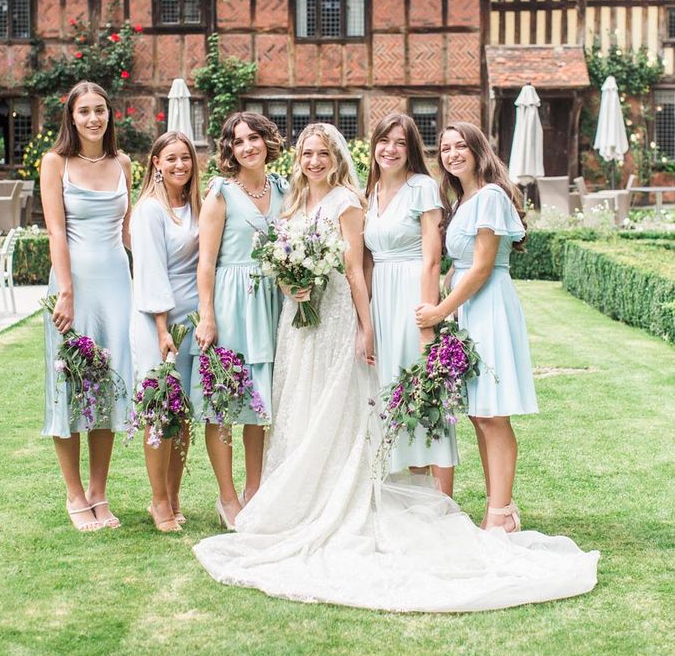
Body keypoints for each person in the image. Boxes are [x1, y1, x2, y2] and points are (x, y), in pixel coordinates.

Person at [194, 125, 599, 613]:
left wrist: (392, 320)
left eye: (324, 153)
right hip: (307, 319)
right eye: (308, 153)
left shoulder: (364, 197)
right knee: (307, 399)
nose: (315, 160)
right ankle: (310, 492)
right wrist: (291, 283)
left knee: (407, 400)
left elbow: (368, 265)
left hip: (371, 306)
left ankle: (447, 504)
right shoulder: (298, 200)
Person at [416, 121, 538, 532]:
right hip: (466, 310)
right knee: (479, 414)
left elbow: (483, 267)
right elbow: (460, 266)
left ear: (478, 150)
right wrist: (443, 304)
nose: (452, 154)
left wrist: (438, 311)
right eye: (445, 148)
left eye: (460, 146)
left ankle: (500, 513)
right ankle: (498, 507)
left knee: (493, 415)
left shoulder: (488, 196)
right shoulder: (463, 200)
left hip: (489, 308)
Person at [41, 81, 133, 531]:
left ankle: (99, 491)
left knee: (108, 386)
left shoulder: (124, 164)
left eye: (100, 110)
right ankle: (74, 494)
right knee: (69, 388)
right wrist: (66, 291)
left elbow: (131, 235)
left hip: (118, 286)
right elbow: (56, 232)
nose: (94, 118)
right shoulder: (55, 162)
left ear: (109, 115)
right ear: (71, 118)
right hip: (72, 288)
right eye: (84, 112)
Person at [192, 112, 287, 530]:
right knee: (225, 401)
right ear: (229, 149)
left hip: (272, 303)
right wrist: (208, 316)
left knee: (258, 404)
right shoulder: (220, 194)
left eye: (254, 138)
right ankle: (227, 497)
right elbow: (206, 262)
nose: (247, 146)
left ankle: (255, 491)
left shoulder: (285, 188)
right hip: (232, 302)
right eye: (238, 141)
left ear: (267, 141)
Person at [364, 113, 458, 492]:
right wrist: (364, 318)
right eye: (385, 141)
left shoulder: (422, 187)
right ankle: (406, 487)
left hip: (412, 294)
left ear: (411, 149)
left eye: (400, 143)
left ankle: (440, 497)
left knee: (423, 387)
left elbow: (432, 259)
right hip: (380, 301)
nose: (390, 149)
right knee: (388, 388)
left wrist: (428, 321)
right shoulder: (368, 194)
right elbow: (367, 259)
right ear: (374, 145)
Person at [131, 131, 201, 533]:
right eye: (171, 159)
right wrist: (162, 330)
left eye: (186, 158)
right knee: (161, 412)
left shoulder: (193, 205)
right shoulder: (149, 211)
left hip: (191, 320)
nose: (179, 165)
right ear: (156, 163)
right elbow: (151, 272)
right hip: (159, 322)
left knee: (184, 413)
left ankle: (174, 496)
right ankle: (158, 501)